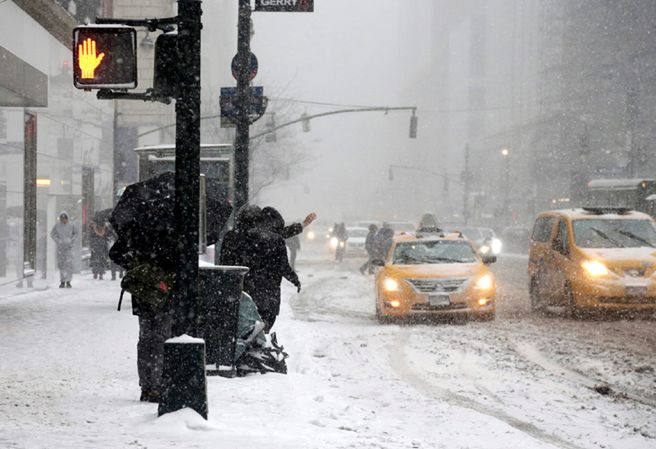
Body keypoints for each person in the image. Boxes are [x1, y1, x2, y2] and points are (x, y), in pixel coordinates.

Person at [222, 206, 300, 332]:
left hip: (240, 293)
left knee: (240, 330)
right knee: (263, 328)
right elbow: (283, 266)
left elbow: (225, 266)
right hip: (268, 295)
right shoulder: (275, 239)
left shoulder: (231, 237)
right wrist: (294, 279)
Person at [50, 212, 77, 288]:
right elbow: (52, 234)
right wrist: (58, 240)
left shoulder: (72, 225)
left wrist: (71, 240)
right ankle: (62, 281)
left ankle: (68, 281)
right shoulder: (57, 226)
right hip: (61, 248)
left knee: (68, 265)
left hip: (69, 248)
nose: (64, 221)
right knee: (61, 265)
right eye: (62, 219)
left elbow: (76, 234)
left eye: (65, 219)